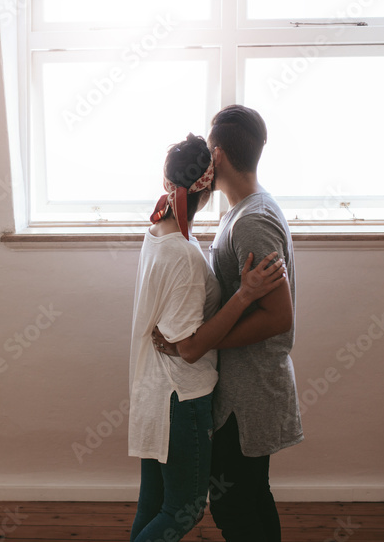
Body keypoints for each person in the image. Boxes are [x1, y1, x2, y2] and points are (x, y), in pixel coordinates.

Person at [153, 106, 302, 542]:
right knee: (250, 495)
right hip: (244, 386)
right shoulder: (244, 211)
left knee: (235, 505)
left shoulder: (252, 221)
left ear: (216, 156)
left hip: (250, 390)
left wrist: (200, 342)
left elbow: (279, 317)